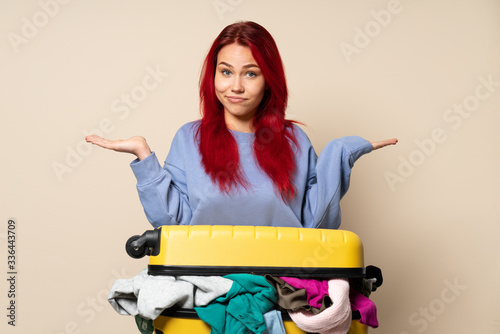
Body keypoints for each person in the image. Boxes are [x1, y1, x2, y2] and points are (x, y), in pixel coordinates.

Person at [86, 21, 397, 230]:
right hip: (207, 280)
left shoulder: (294, 140)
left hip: (282, 282)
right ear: (213, 76)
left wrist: (341, 153)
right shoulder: (188, 138)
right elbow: (172, 224)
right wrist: (143, 156)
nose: (235, 86)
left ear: (268, 81)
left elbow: (316, 226)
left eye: (250, 73)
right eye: (225, 72)